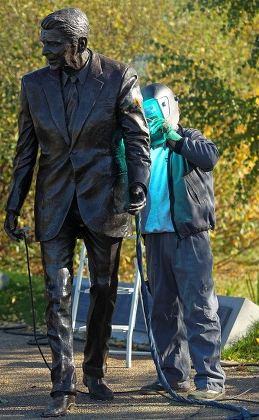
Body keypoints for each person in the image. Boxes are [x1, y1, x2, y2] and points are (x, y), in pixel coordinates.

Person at [4, 7, 150, 417]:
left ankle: (95, 370)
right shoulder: (33, 85)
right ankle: (62, 386)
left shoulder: (119, 77)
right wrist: (13, 204)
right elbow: (25, 152)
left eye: (54, 45)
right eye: (43, 44)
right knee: (57, 292)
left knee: (103, 289)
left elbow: (138, 138)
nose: (45, 51)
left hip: (104, 198)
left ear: (80, 44)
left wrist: (138, 183)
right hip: (53, 201)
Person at [139, 83, 225, 401]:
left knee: (199, 308)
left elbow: (210, 157)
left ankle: (210, 381)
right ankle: (174, 376)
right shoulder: (142, 148)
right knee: (163, 310)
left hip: (189, 237)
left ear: (171, 107)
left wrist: (176, 139)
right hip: (155, 237)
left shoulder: (189, 139)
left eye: (157, 110)